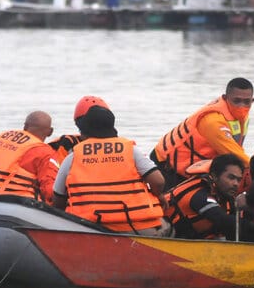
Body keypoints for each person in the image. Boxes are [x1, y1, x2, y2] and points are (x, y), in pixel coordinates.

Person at [53, 96, 169, 236]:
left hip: (90, 230)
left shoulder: (72, 157)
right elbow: (158, 181)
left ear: (83, 130)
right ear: (112, 127)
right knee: (168, 227)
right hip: (137, 227)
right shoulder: (130, 150)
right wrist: (159, 195)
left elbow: (58, 198)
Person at [151, 77, 254, 189]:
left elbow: (237, 150)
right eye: (237, 101)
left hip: (192, 166)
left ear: (252, 100)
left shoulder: (242, 117)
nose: (241, 106)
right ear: (225, 98)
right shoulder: (213, 121)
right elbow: (237, 156)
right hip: (168, 166)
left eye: (246, 102)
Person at [0, 110, 59, 204]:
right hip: (19, 204)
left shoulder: (3, 137)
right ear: (50, 132)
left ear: (25, 126)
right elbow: (50, 191)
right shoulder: (45, 152)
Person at [164, 154, 245, 240]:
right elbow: (224, 220)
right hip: (165, 236)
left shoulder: (225, 195)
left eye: (239, 180)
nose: (236, 184)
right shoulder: (199, 195)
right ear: (214, 176)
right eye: (231, 178)